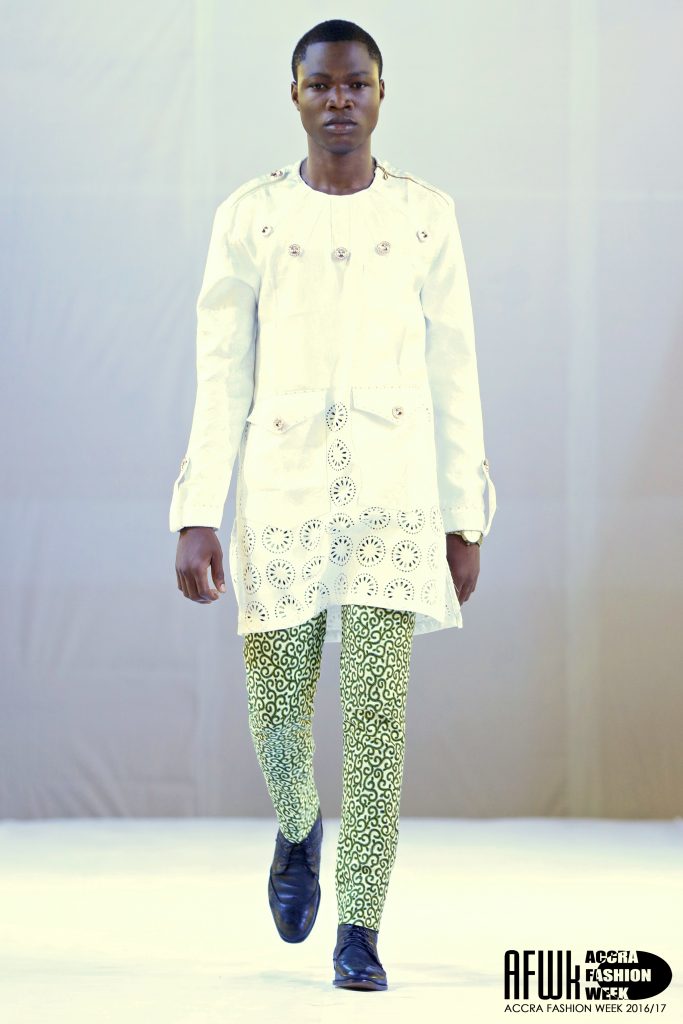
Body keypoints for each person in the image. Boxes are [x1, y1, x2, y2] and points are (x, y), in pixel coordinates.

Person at [170, 18, 497, 993]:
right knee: (275, 710)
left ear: (381, 93)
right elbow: (221, 368)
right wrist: (196, 508)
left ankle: (359, 926)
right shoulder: (251, 216)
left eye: (356, 84)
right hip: (281, 487)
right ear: (296, 95)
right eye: (322, 85)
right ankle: (298, 823)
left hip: (394, 493)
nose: (339, 101)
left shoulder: (425, 216)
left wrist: (464, 515)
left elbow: (454, 368)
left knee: (376, 723)